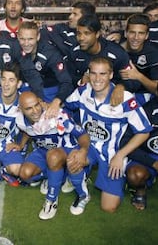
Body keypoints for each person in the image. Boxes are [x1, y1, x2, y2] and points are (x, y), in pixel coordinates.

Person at [64, 57, 152, 213]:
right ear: (88, 74)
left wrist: (120, 155)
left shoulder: (125, 99)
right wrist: (75, 131)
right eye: (94, 73)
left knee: (109, 207)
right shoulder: (83, 91)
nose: (97, 79)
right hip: (88, 145)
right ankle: (82, 193)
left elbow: (144, 132)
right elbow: (66, 108)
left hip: (112, 153)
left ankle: (120, 174)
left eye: (103, 74)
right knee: (73, 159)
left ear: (111, 75)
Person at [17, 92, 90, 220]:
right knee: (24, 173)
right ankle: (57, 176)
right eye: (29, 108)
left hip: (66, 150)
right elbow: (27, 131)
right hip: (43, 151)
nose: (35, 111)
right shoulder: (19, 120)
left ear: (40, 103)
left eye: (36, 105)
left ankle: (53, 200)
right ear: (20, 109)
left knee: (53, 156)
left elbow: (82, 134)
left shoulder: (57, 115)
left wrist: (82, 151)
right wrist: (21, 144)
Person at [68, 14, 141, 105]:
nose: (81, 38)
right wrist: (81, 81)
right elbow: (69, 79)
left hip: (113, 100)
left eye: (87, 33)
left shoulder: (116, 53)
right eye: (79, 33)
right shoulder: (74, 52)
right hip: (87, 99)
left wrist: (121, 86)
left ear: (97, 34)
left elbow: (133, 81)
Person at [17, 21, 73, 118]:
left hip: (52, 92)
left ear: (38, 37)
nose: (26, 43)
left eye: (30, 39)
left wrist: (56, 102)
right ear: (18, 37)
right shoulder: (16, 47)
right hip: (31, 90)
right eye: (22, 39)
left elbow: (67, 82)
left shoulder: (51, 54)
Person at [119, 13, 158, 105]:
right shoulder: (117, 52)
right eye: (132, 32)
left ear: (147, 35)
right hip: (121, 95)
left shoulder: (154, 53)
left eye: (141, 33)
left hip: (148, 98)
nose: (136, 38)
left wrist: (138, 76)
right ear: (125, 33)